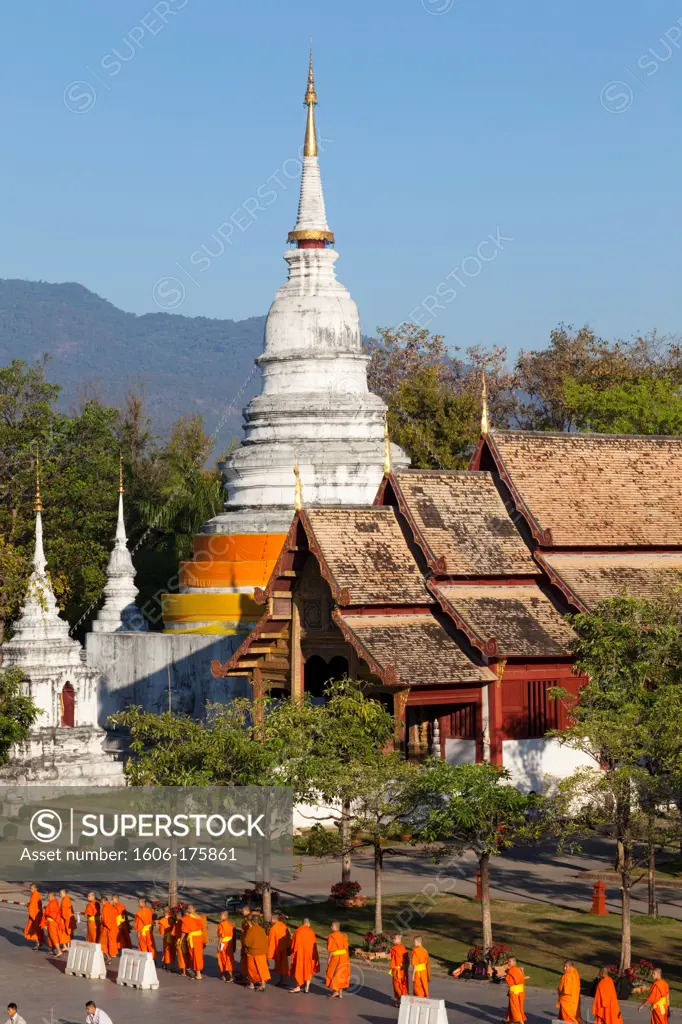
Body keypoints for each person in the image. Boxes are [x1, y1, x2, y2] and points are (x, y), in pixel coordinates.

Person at [289, 917, 320, 994]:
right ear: (308, 924)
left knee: (299, 969)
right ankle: (307, 988)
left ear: (302, 923)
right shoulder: (311, 931)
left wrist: (293, 951)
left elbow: (294, 945)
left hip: (300, 954)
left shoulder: (298, 931)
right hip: (309, 954)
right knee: (308, 970)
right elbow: (314, 944)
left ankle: (298, 987)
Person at [243, 911, 271, 991]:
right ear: (258, 921)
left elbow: (246, 942)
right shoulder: (262, 930)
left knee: (252, 968)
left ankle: (251, 984)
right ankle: (263, 984)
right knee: (262, 968)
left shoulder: (251, 930)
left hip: (252, 953)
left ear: (252, 921)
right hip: (262, 953)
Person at [326, 921, 350, 999]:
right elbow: (346, 947)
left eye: (332, 926)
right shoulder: (344, 935)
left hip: (336, 956)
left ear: (336, 927)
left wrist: (329, 958)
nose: (331, 927)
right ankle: (340, 993)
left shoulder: (332, 936)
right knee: (341, 974)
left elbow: (331, 949)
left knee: (331, 973)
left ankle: (335, 990)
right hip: (344, 956)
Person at [181, 903, 205, 981]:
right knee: (198, 955)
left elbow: (184, 931)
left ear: (188, 910)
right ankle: (198, 972)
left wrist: (181, 940)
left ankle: (198, 974)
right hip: (199, 937)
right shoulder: (200, 917)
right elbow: (202, 928)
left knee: (195, 955)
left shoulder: (187, 918)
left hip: (193, 938)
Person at [267, 912, 291, 985]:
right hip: (284, 948)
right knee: (284, 965)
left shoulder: (273, 928)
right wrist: (289, 947)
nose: (270, 920)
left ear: (273, 919)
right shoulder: (284, 926)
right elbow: (288, 937)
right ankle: (283, 979)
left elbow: (270, 940)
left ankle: (284, 980)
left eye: (271, 919)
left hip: (278, 949)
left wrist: (269, 951)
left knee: (280, 965)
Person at [506, 957, 527, 1023]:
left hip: (514, 991)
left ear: (514, 962)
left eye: (510, 962)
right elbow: (522, 978)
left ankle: (521, 1022)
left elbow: (508, 981)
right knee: (515, 1007)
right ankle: (509, 1022)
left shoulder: (512, 970)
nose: (508, 963)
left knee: (515, 1008)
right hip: (521, 991)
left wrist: (507, 974)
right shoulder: (519, 969)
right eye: (508, 962)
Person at [389, 934, 409, 1006]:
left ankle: (400, 1000)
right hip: (403, 970)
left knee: (397, 985)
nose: (393, 940)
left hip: (397, 970)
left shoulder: (394, 949)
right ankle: (403, 999)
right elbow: (407, 959)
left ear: (398, 939)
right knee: (403, 985)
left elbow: (394, 959)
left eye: (394, 938)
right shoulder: (403, 948)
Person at [24, 883, 44, 951]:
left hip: (34, 915)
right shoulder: (37, 894)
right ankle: (40, 942)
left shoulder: (35, 895)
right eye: (30, 888)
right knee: (38, 929)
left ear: (36, 888)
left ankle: (38, 943)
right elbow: (33, 904)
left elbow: (33, 906)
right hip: (38, 914)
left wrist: (29, 905)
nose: (31, 890)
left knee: (34, 929)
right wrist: (29, 904)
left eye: (32, 888)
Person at [217, 910, 236, 983]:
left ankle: (230, 976)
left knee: (223, 958)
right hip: (230, 943)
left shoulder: (221, 925)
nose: (220, 917)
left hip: (223, 943)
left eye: (221, 915)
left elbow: (221, 937)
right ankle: (224, 975)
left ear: (226, 916)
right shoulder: (230, 924)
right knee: (228, 958)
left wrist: (218, 946)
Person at [44, 891, 64, 957]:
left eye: (49, 896)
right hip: (50, 922)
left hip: (52, 922)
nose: (48, 897)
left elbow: (53, 914)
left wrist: (47, 914)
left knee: (53, 936)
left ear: (53, 897)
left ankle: (59, 951)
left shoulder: (53, 903)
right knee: (50, 936)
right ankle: (52, 950)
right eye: (48, 896)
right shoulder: (53, 902)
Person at [99, 897, 119, 962]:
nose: (101, 904)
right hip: (113, 927)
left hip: (106, 928)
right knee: (109, 942)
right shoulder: (112, 907)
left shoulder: (105, 908)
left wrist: (107, 925)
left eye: (101, 902)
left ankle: (108, 956)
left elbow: (105, 919)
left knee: (102, 943)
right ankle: (109, 955)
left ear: (104, 901)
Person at [157, 906, 176, 972]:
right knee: (173, 951)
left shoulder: (162, 921)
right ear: (169, 912)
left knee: (166, 950)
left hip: (166, 937)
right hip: (173, 937)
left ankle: (167, 965)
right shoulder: (173, 919)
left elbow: (161, 932)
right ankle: (172, 966)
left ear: (163, 912)